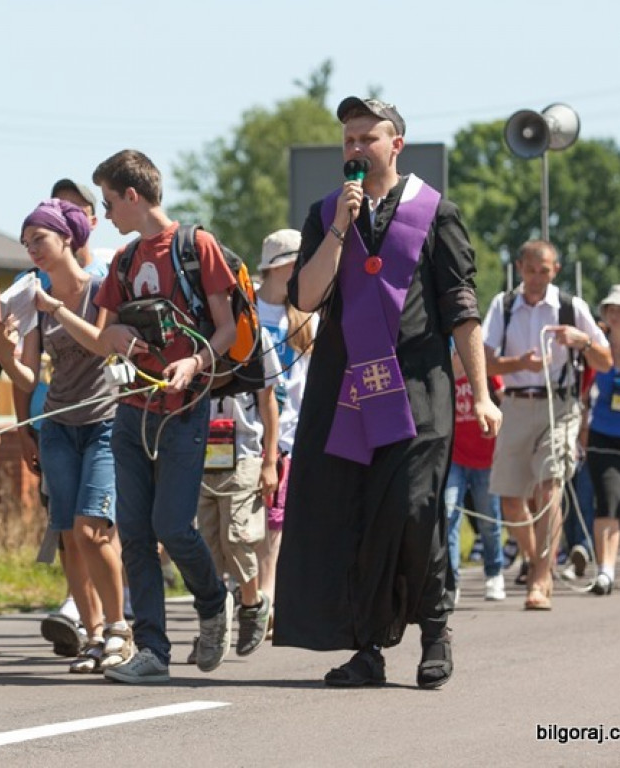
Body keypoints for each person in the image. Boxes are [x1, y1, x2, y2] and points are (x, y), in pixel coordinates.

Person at [275, 97, 501, 690]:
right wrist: (339, 230)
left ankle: (435, 631)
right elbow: (305, 297)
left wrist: (479, 392)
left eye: (366, 139)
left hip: (418, 390)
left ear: (395, 143)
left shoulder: (436, 213)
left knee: (413, 512)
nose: (355, 149)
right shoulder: (327, 213)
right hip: (345, 391)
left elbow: (461, 310)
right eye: (348, 139)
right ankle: (367, 648)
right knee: (356, 515)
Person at [90, 149, 237, 684]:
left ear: (132, 196)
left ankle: (213, 598)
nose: (106, 215)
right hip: (131, 410)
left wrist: (194, 362)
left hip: (185, 409)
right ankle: (152, 649)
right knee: (133, 531)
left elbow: (226, 329)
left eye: (108, 203)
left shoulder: (196, 247)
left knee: (172, 525)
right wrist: (116, 337)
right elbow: (103, 334)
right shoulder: (123, 262)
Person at [0, 198, 133, 673]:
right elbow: (29, 377)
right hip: (58, 425)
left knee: (93, 530)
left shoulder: (100, 287)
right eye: (26, 242)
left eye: (40, 239)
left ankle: (119, 628)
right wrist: (2, 350)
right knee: (69, 536)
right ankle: (93, 636)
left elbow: (101, 343)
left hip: (105, 422)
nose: (32, 248)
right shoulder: (33, 297)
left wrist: (55, 307)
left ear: (67, 239)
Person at [483, 240, 610, 610]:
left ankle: (539, 579)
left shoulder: (571, 307)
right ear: (520, 267)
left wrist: (582, 340)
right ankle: (540, 558)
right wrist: (518, 363)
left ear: (555, 270)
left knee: (550, 485)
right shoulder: (503, 305)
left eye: (544, 270)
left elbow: (604, 362)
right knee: (510, 501)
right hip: (516, 405)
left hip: (560, 405)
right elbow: (487, 363)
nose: (537, 277)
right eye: (530, 269)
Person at [193, 344, 281, 659]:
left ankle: (252, 604)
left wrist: (270, 460)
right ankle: (212, 627)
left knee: (237, 537)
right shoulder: (196, 333)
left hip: (243, 454)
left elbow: (268, 401)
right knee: (206, 546)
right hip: (201, 455)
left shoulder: (256, 337)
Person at [254, 229, 314, 637]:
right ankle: (246, 596)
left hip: (288, 434)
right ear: (280, 267)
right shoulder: (247, 309)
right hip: (241, 431)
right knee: (236, 525)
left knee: (274, 522)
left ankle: (267, 599)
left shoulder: (307, 316)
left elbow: (305, 382)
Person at [444, 344, 507, 603]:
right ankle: (451, 580)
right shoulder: (446, 368)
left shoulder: (485, 368)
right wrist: (453, 372)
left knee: (489, 519)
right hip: (455, 457)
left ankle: (494, 573)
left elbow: (505, 399)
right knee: (448, 516)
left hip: (485, 458)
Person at [585, 284, 620, 595]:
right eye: (609, 308)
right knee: (608, 500)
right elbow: (581, 390)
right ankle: (605, 571)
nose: (613, 314)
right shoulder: (596, 350)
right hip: (604, 436)